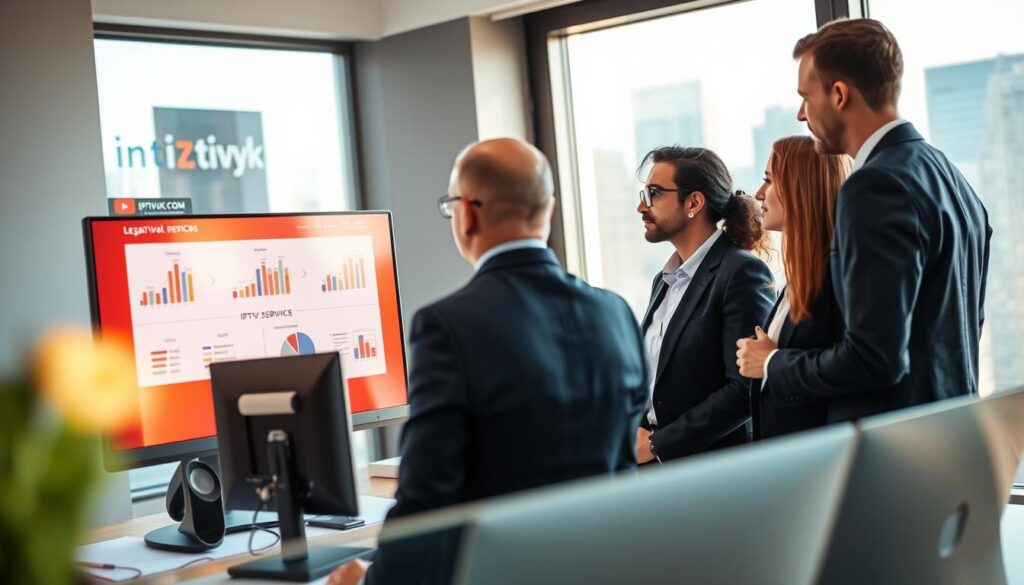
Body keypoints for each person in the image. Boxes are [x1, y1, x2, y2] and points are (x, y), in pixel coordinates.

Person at [329, 138, 649, 585]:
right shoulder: (615, 313)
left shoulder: (447, 326)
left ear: (467, 213)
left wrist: (370, 581)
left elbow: (427, 500)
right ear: (548, 209)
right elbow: (622, 469)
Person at [736, 19, 992, 424]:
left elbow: (874, 358)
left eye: (805, 97)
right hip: (954, 430)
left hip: (897, 445)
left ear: (839, 95)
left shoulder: (873, 186)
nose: (801, 114)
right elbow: (964, 326)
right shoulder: (949, 174)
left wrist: (773, 363)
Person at [634, 146, 774, 464]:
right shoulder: (664, 280)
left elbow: (744, 388)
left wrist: (658, 445)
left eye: (654, 194)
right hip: (661, 466)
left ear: (694, 203)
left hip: (715, 469)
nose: (641, 206)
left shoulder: (741, 272)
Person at [746, 136, 850, 439]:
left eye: (769, 181)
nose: (758, 194)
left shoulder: (838, 274)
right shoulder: (797, 279)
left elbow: (853, 369)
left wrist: (770, 361)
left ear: (800, 187)